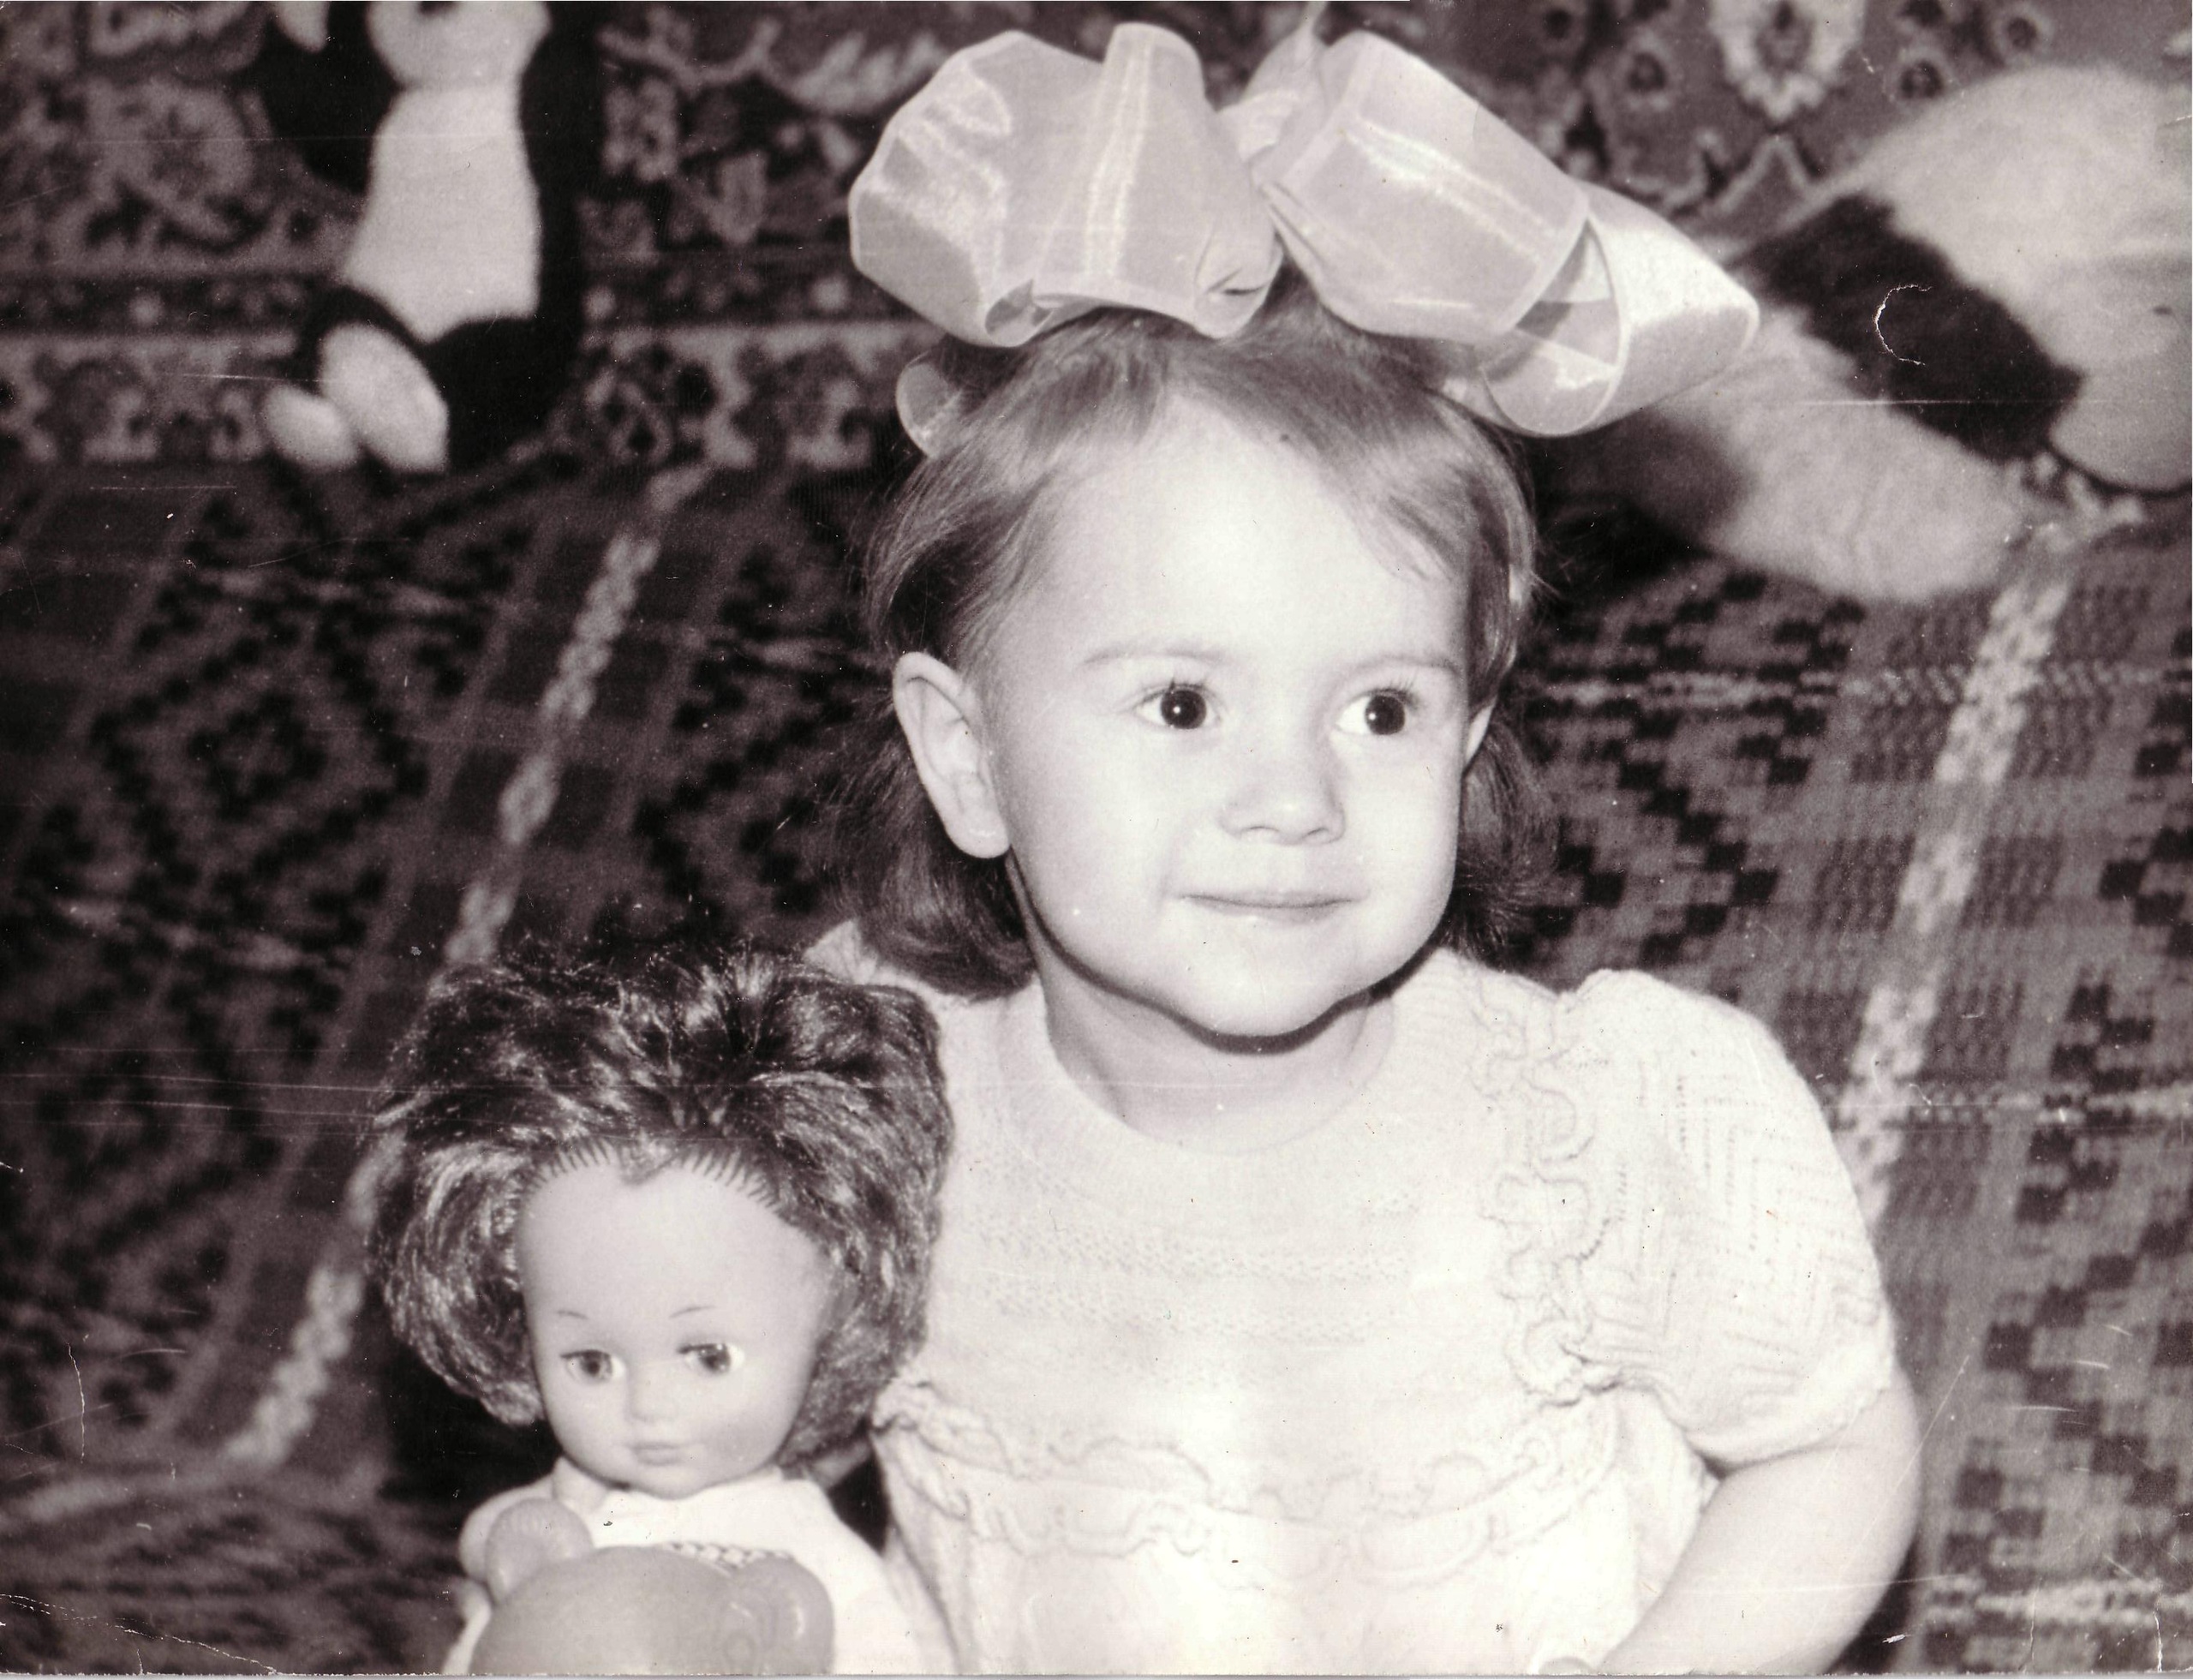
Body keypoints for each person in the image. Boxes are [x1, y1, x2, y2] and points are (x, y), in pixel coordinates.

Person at [812, 14, 1925, 1675]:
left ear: (1469, 735)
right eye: (1183, 703)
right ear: (967, 756)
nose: (1296, 796)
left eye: (1381, 709)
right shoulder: (871, 1105)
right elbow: (707, 1428)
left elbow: (1832, 1443)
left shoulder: (1588, 1126)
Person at [361, 938, 951, 1674]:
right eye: (592, 1362)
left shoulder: (804, 1551)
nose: (648, 1407)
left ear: (836, 1308)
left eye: (709, 1356)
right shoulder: (565, 1513)